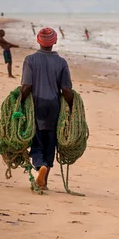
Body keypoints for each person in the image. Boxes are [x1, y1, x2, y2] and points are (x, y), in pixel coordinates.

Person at [20, 28, 73, 190]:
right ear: (55, 41)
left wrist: (20, 103)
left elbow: (27, 86)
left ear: (38, 41)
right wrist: (71, 108)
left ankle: (39, 166)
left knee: (36, 140)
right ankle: (44, 181)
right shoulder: (62, 62)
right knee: (50, 142)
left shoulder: (30, 60)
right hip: (54, 106)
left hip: (36, 105)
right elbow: (66, 90)